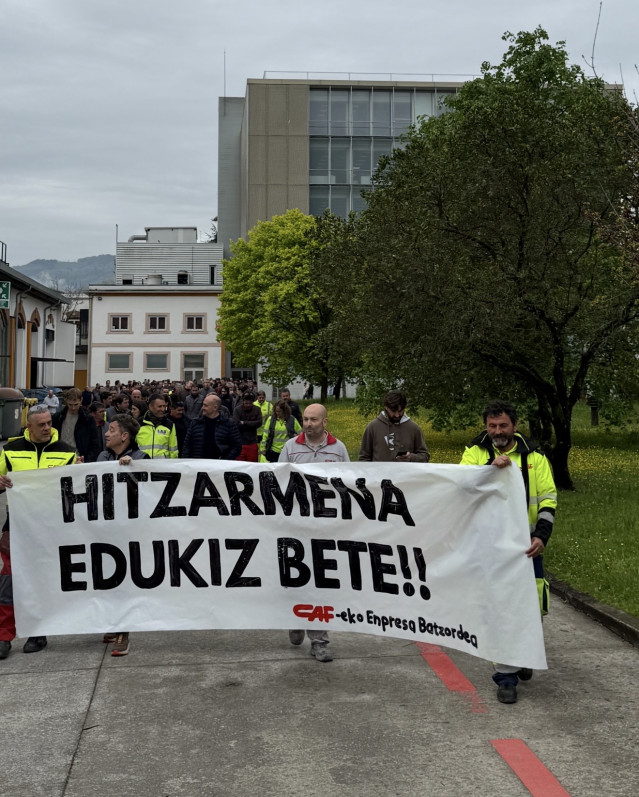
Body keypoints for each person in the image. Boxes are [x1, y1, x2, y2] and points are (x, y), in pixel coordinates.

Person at [460, 399, 557, 705]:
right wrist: (490, 470)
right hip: (490, 545)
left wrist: (542, 536)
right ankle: (505, 677)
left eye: (503, 426)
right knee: (499, 608)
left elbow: (548, 498)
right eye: (492, 426)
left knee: (533, 605)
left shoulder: (535, 456)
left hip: (527, 545)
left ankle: (523, 651)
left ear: (514, 426)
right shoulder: (474, 452)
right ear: (486, 427)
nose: (497, 431)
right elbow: (461, 488)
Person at [0, 405, 77, 659]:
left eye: (49, 423)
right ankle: (4, 636)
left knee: (42, 580)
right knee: (9, 582)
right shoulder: (10, 451)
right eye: (41, 424)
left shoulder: (66, 452)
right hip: (17, 525)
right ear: (28, 427)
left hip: (49, 526)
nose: (47, 428)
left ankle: (37, 631)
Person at [278, 403, 349, 662]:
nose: (308, 424)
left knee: (319, 582)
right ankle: (295, 617)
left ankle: (319, 640)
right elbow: (278, 482)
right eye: (305, 419)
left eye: (313, 420)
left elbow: (346, 485)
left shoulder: (338, 449)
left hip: (324, 527)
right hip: (295, 526)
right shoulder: (290, 448)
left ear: (324, 422)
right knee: (296, 578)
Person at [97, 414, 150, 657]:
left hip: (129, 531)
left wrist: (134, 470)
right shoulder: (103, 456)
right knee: (106, 577)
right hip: (105, 528)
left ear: (125, 436)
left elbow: (148, 496)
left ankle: (123, 633)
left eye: (112, 430)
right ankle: (113, 623)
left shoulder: (141, 459)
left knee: (125, 580)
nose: (107, 433)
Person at [358, 389, 430, 463]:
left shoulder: (413, 428)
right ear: (386, 407)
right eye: (393, 411)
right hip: (379, 474)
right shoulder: (373, 427)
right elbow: (364, 458)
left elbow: (425, 457)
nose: (397, 415)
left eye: (400, 411)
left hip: (405, 474)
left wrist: (411, 457)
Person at [182, 394, 242, 460]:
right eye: (203, 404)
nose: (202, 408)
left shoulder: (229, 424)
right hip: (198, 464)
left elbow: (237, 446)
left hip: (221, 466)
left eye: (205, 405)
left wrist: (225, 460)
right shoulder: (195, 423)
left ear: (215, 407)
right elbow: (187, 445)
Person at [53, 387, 101, 463]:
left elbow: (95, 443)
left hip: (80, 459)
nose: (73, 407)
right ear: (66, 401)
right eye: (70, 404)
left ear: (81, 400)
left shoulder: (88, 419)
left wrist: (87, 461)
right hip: (60, 458)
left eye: (76, 404)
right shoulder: (57, 418)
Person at [136, 393, 179, 459]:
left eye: (164, 406)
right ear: (150, 406)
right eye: (159, 406)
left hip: (162, 467)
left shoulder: (169, 424)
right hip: (142, 465)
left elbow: (173, 450)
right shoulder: (138, 423)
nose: (163, 409)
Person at [233, 392, 263, 461]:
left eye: (250, 403)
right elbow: (236, 424)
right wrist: (251, 424)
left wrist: (244, 423)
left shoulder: (257, 409)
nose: (248, 405)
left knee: (252, 465)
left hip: (252, 442)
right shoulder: (237, 410)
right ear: (243, 402)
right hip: (240, 443)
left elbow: (259, 423)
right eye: (246, 403)